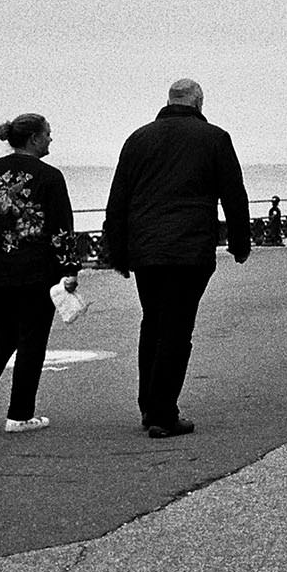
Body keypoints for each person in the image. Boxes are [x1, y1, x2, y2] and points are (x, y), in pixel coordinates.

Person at [104, 79, 252, 439]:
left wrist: (116, 251)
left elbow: (118, 198)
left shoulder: (137, 139)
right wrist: (239, 242)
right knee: (177, 327)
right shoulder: (215, 138)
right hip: (190, 250)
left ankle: (147, 404)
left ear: (169, 101)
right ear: (199, 102)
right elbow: (233, 194)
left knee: (152, 322)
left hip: (146, 250)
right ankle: (162, 413)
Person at [0, 113, 79, 434]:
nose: (51, 139)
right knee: (32, 339)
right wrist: (69, 269)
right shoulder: (50, 177)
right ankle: (20, 413)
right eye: (48, 134)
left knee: (4, 330)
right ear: (35, 139)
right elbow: (61, 229)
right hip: (35, 271)